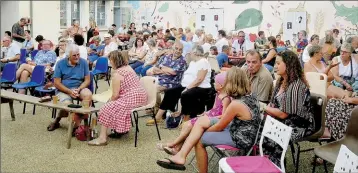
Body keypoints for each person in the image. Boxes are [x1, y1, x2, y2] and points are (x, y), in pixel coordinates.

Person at [156, 67, 261, 172]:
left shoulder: (236, 104)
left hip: (241, 137)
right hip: (240, 128)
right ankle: (181, 156)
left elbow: (220, 126)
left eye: (227, 82)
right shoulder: (250, 96)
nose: (225, 85)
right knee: (201, 122)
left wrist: (200, 132)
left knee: (199, 139)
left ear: (232, 83)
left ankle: (183, 157)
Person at [262, 50, 315, 166]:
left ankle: (275, 166)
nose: (275, 66)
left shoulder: (296, 85)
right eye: (275, 63)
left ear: (289, 65)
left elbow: (283, 114)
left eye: (278, 63)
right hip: (284, 120)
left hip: (300, 124)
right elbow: (273, 104)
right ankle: (265, 164)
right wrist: (268, 108)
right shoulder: (281, 81)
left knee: (273, 135)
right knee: (259, 127)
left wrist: (263, 107)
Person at [156, 72, 230, 154]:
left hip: (214, 120)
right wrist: (205, 113)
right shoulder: (218, 94)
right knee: (186, 125)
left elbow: (224, 115)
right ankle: (176, 148)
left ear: (221, 85)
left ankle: (173, 144)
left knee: (188, 126)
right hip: (209, 116)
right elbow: (214, 109)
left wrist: (210, 117)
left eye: (216, 82)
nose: (213, 83)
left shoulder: (226, 98)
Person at [88, 51, 148, 146]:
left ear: (113, 61)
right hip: (141, 95)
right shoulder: (128, 67)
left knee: (106, 108)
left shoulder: (117, 74)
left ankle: (102, 138)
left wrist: (109, 103)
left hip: (132, 97)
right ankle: (119, 130)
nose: (109, 62)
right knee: (112, 106)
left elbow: (115, 95)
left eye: (110, 60)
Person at [149, 45, 211, 125]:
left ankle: (186, 120)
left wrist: (187, 88)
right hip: (187, 85)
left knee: (186, 95)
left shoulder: (203, 62)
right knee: (170, 92)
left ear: (195, 53)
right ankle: (158, 117)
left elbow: (199, 79)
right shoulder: (193, 62)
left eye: (190, 52)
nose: (189, 53)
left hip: (200, 87)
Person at [47, 44, 92, 132]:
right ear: (68, 56)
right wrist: (69, 91)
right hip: (64, 89)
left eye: (78, 54)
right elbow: (56, 83)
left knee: (88, 95)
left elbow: (87, 80)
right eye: (74, 55)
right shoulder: (60, 63)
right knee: (67, 106)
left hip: (79, 88)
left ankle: (76, 126)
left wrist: (78, 89)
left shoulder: (83, 62)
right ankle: (57, 120)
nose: (77, 57)